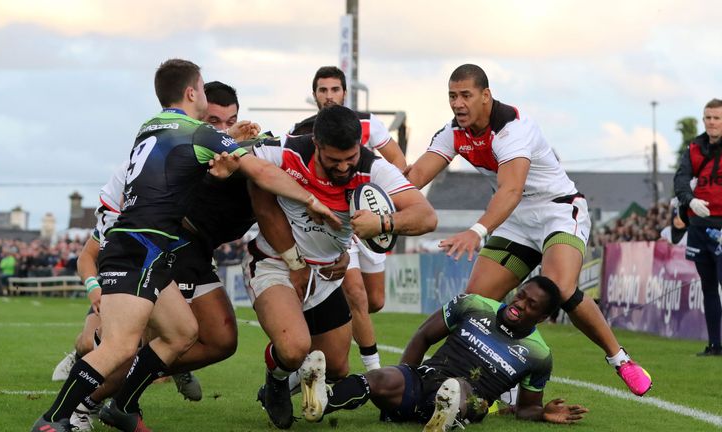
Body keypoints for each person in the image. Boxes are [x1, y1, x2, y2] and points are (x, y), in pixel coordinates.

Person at [30, 59, 340, 432]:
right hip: (141, 247)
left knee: (183, 333)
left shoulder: (151, 126)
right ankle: (54, 420)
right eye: (204, 90)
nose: (206, 98)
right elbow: (262, 170)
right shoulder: (196, 132)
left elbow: (184, 173)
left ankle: (124, 405)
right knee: (120, 347)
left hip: (156, 250)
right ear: (192, 92)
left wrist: (229, 146)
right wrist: (311, 200)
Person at [405, 64, 652, 397]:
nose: (458, 103)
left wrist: (477, 231)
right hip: (516, 219)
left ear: (486, 96)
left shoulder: (513, 129)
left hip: (557, 210)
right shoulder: (452, 132)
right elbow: (416, 175)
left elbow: (511, 190)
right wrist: (379, 198)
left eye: (466, 95)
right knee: (475, 304)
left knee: (560, 289)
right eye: (452, 96)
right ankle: (466, 383)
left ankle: (620, 359)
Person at [246, 104, 437, 429]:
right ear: (316, 144)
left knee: (336, 367)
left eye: (350, 157)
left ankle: (280, 380)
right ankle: (277, 378)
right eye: (335, 161)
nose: (345, 166)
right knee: (294, 349)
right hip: (275, 262)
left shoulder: (372, 167)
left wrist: (384, 221)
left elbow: (427, 216)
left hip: (328, 272)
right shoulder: (284, 152)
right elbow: (262, 203)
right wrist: (294, 261)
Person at [297, 276, 588, 429]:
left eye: (531, 305)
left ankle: (442, 420)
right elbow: (423, 336)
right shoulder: (473, 304)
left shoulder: (538, 355)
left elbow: (525, 408)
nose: (520, 304)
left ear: (542, 317)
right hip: (426, 377)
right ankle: (324, 401)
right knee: (379, 378)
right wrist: (404, 374)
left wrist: (543, 414)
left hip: (469, 399)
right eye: (521, 295)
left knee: (457, 389)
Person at [291, 66, 408, 371]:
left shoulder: (369, 124)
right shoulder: (305, 130)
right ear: (314, 94)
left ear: (345, 92)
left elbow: (398, 161)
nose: (329, 96)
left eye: (334, 89)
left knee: (374, 300)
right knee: (355, 293)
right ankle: (374, 373)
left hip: (370, 217)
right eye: (322, 90)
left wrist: (379, 198)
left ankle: (330, 326)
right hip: (338, 224)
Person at [674, 98, 722, 356]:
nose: (712, 122)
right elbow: (680, 178)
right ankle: (715, 344)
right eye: (708, 117)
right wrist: (689, 199)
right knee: (708, 287)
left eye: (717, 118)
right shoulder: (694, 148)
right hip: (699, 226)